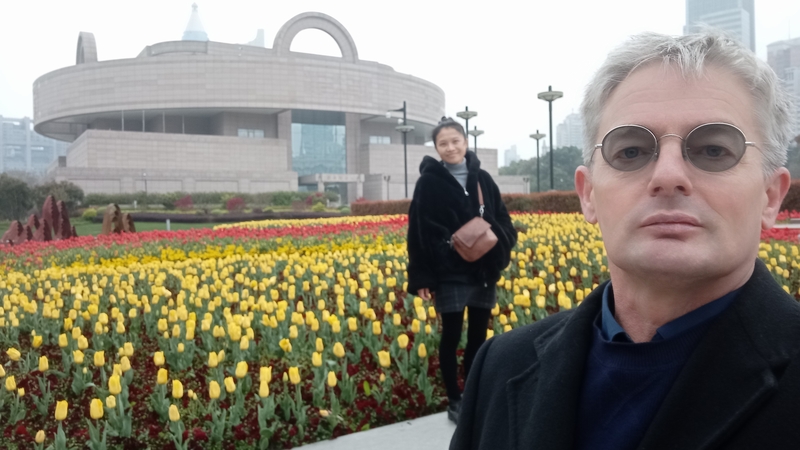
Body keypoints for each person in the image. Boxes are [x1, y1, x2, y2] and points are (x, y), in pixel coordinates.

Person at [451, 31, 800, 450]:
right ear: (589, 194)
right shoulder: (500, 366)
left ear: (770, 195)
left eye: (712, 150)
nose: (668, 176)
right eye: (631, 152)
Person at [406, 117, 517, 423]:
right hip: (448, 270)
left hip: (482, 270)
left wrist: (502, 246)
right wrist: (423, 277)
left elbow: (503, 217)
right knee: (451, 336)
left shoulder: (482, 179)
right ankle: (454, 399)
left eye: (456, 141)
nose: (450, 148)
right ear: (437, 148)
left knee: (478, 337)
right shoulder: (428, 182)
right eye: (444, 143)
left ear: (465, 142)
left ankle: (473, 393)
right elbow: (417, 231)